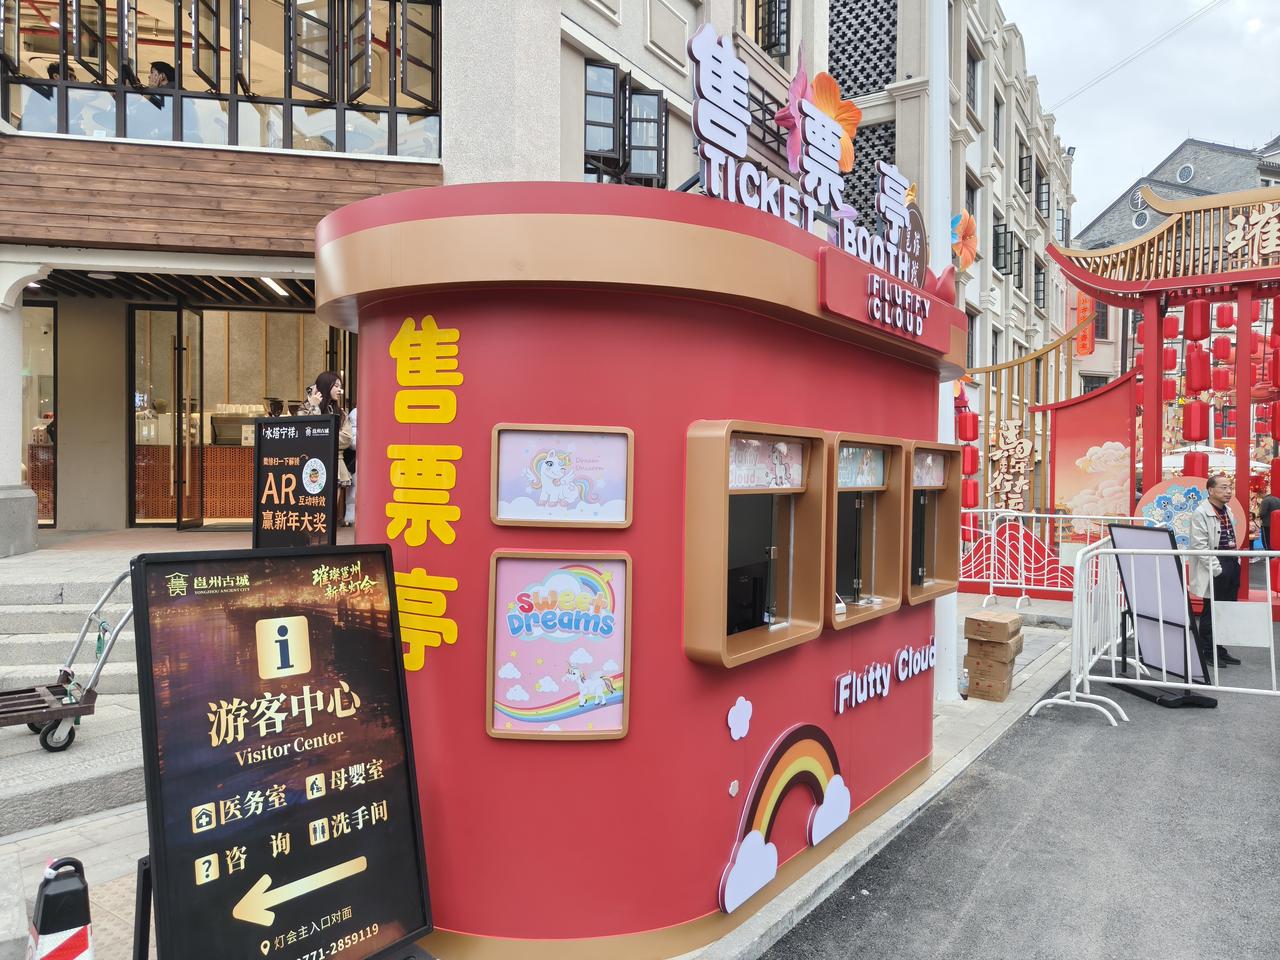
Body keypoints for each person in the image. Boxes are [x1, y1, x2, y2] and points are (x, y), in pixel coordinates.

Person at [1188, 475, 1242, 667]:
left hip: (1230, 562)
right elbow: (1199, 546)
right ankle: (1208, 651)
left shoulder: (1227, 510)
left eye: (1230, 487)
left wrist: (1235, 562)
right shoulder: (1201, 513)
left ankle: (1219, 648)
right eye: (1224, 487)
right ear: (1211, 490)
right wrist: (1217, 570)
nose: (1228, 491)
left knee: (1226, 609)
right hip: (1216, 564)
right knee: (1211, 610)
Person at [312, 371, 352, 524]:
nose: (339, 390)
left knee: (328, 513)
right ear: (325, 386)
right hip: (312, 463)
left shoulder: (341, 413)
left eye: (340, 386)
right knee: (311, 506)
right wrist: (314, 408)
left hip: (336, 463)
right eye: (336, 386)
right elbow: (305, 432)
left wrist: (322, 434)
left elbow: (346, 439)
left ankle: (324, 537)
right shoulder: (307, 408)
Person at [343, 406, 357, 526]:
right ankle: (351, 518)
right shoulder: (356, 413)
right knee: (354, 489)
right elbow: (353, 442)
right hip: (358, 458)